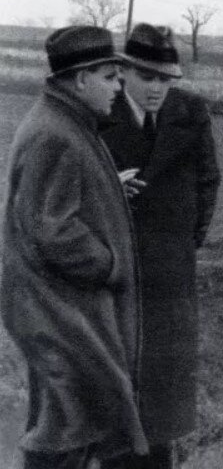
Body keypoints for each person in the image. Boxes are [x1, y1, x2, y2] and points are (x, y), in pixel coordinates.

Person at [0, 26, 148, 468]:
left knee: (75, 426)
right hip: (60, 315)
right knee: (66, 432)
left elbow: (50, 206)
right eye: (109, 76)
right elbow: (54, 232)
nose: (118, 87)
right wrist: (110, 265)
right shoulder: (57, 134)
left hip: (57, 310)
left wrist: (105, 189)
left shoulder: (63, 122)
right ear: (81, 79)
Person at [101, 24, 221, 469]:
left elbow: (209, 179)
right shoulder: (100, 111)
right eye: (147, 78)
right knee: (121, 381)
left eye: (165, 79)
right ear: (124, 72)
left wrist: (188, 240)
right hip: (118, 269)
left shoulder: (190, 112)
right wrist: (110, 189)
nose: (157, 89)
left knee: (166, 389)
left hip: (172, 271)